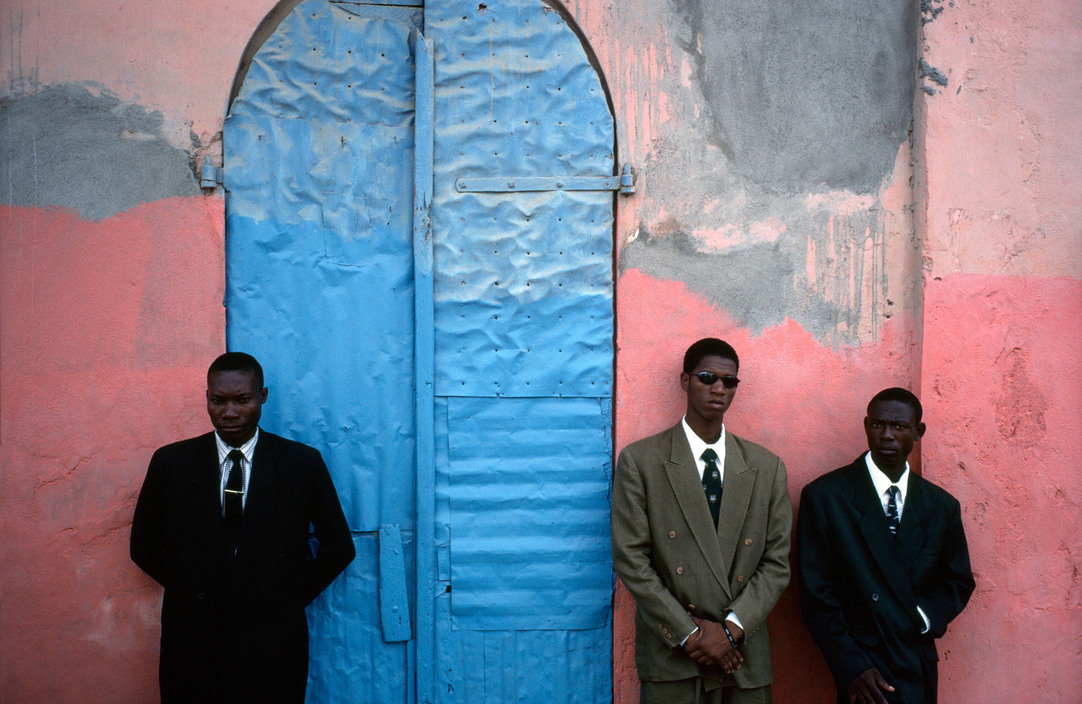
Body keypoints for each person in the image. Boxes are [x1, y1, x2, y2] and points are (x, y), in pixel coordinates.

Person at [130, 352, 355, 704]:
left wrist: (283, 599)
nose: (229, 412)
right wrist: (195, 591)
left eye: (243, 400)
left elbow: (339, 548)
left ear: (262, 396)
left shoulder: (301, 464)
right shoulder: (171, 464)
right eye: (218, 401)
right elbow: (142, 546)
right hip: (192, 646)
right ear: (207, 398)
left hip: (273, 648)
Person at [611, 338, 792, 704]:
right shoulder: (642, 461)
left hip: (742, 658)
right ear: (685, 381)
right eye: (707, 377)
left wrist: (730, 630)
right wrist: (692, 634)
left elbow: (776, 563)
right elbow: (631, 559)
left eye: (730, 381)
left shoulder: (766, 467)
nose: (719, 389)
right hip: (674, 656)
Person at [797, 387, 974, 704]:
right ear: (867, 426)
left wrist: (920, 616)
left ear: (917, 432)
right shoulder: (826, 496)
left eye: (899, 427)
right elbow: (816, 594)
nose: (887, 435)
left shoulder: (940, 506)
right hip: (862, 666)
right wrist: (852, 668)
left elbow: (957, 580)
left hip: (915, 661)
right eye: (878, 425)